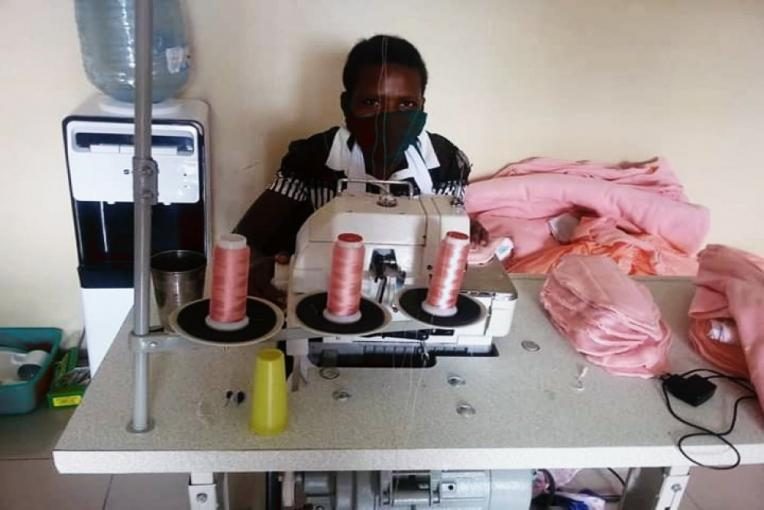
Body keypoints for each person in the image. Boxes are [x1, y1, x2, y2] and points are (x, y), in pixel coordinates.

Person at [235, 34, 487, 303]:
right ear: (346, 105)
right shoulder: (313, 156)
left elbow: (450, 229)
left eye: (406, 105)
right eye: (371, 102)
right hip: (324, 295)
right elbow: (245, 240)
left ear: (422, 106)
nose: (388, 119)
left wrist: (465, 228)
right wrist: (255, 268)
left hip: (413, 299)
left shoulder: (445, 161)